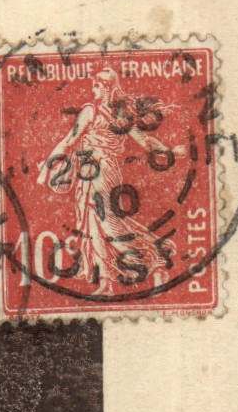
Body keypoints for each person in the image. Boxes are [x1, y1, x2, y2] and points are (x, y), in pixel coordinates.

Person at [35, 67, 181, 296]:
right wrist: (48, 165)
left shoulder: (106, 114)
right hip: (89, 172)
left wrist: (167, 150)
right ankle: (107, 281)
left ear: (109, 87)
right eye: (96, 82)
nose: (96, 86)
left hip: (103, 171)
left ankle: (154, 261)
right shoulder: (103, 114)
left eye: (101, 83)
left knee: (107, 222)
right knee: (93, 225)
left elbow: (140, 138)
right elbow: (71, 140)